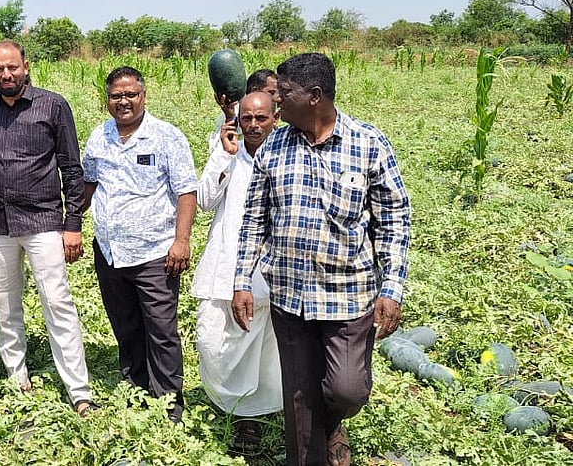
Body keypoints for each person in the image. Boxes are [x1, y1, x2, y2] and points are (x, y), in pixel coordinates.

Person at [233, 53, 411, 466]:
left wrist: (392, 286)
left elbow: (395, 220)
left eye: (285, 94)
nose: (276, 105)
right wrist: (242, 279)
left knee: (346, 389)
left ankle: (331, 425)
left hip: (349, 296)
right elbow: (254, 220)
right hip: (289, 295)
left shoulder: (368, 144)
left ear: (314, 96)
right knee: (299, 398)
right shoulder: (274, 147)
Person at [0, 40, 97, 416]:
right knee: (6, 305)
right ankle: (18, 378)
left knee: (57, 302)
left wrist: (73, 224)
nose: (7, 74)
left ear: (26, 66)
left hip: (43, 221)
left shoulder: (53, 106)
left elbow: (71, 167)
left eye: (12, 67)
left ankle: (79, 391)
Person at [81, 66, 196, 422]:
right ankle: (136, 387)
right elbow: (88, 183)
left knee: (160, 329)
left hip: (154, 253)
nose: (124, 102)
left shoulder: (166, 136)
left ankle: (169, 403)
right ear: (107, 101)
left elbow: (186, 190)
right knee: (126, 324)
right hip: (111, 251)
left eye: (131, 94)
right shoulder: (99, 137)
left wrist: (182, 240)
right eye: (116, 96)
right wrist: (68, 221)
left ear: (143, 96)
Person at [190, 91, 282, 453]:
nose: (254, 126)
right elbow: (204, 200)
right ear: (237, 120)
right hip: (224, 264)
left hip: (266, 270)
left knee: (262, 347)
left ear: (275, 118)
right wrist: (223, 157)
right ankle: (227, 402)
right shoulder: (229, 152)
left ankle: (252, 417)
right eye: (247, 119)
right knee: (212, 339)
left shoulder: (284, 157)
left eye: (261, 119)